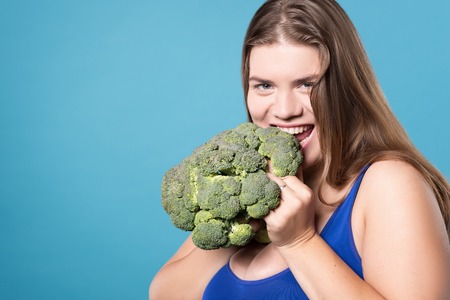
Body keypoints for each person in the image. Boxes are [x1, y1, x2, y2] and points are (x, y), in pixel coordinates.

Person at [149, 0, 450, 298]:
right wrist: (235, 219)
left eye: (306, 84)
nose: (284, 110)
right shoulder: (249, 188)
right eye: (264, 85)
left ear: (345, 87)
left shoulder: (389, 183)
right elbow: (164, 293)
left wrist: (299, 242)